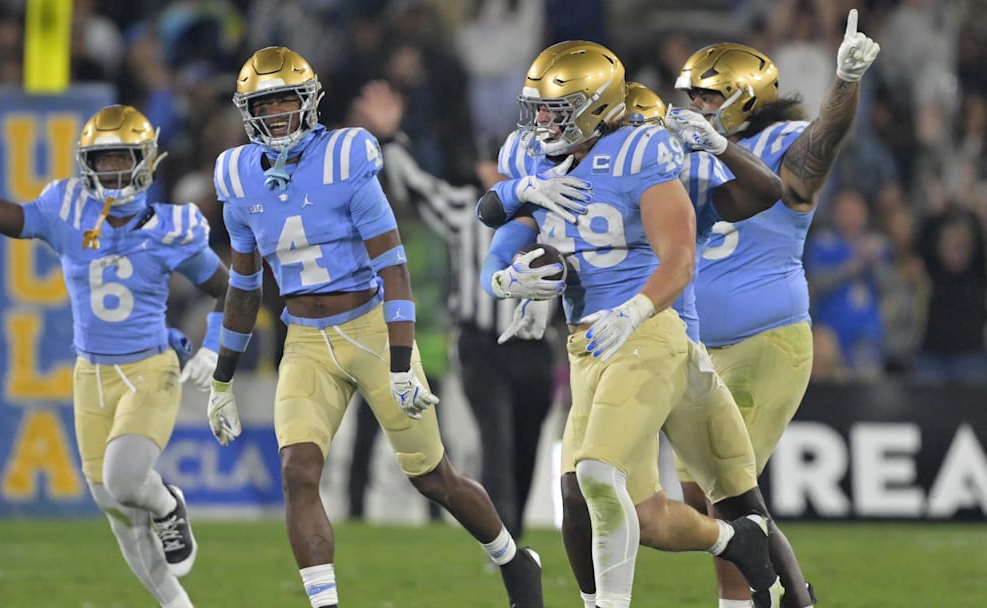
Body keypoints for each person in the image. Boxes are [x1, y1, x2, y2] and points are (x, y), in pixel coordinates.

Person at [203, 46, 543, 608]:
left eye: (288, 97)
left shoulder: (345, 156)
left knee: (434, 479)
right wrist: (222, 378)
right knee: (298, 471)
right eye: (266, 101)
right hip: (306, 341)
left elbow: (393, 265)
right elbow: (244, 286)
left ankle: (513, 560)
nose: (279, 111)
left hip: (369, 328)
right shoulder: (237, 176)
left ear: (309, 102)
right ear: (247, 110)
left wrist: (402, 359)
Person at [477, 40, 783, 608]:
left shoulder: (642, 151)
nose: (541, 120)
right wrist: (503, 282)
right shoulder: (531, 160)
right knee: (623, 508)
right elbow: (502, 236)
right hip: (584, 344)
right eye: (537, 107)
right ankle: (732, 540)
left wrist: (634, 310)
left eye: (555, 107)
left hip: (649, 330)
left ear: (596, 107)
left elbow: (680, 255)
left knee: (597, 473)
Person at [0, 105, 230, 608]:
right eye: (100, 160)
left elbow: (227, 291)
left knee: (127, 479)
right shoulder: (66, 209)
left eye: (120, 157)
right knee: (118, 512)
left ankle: (168, 503)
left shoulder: (174, 227)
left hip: (150, 367)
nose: (109, 170)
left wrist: (214, 347)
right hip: (90, 373)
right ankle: (177, 604)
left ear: (146, 160)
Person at [675, 9, 880, 606]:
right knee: (707, 502)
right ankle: (795, 594)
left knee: (727, 496)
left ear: (744, 99)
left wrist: (844, 83)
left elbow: (823, 143)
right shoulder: (687, 148)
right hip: (698, 347)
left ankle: (760, 600)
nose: (696, 105)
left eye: (708, 96)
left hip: (765, 342)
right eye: (691, 94)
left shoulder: (778, 143)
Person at [350, 79, 557, 542]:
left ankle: (514, 534)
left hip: (537, 347)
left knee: (526, 446)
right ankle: (504, 543)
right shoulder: (467, 209)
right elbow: (418, 185)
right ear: (483, 169)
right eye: (494, 165)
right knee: (497, 442)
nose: (499, 174)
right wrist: (389, 138)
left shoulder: (554, 211)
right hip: (482, 345)